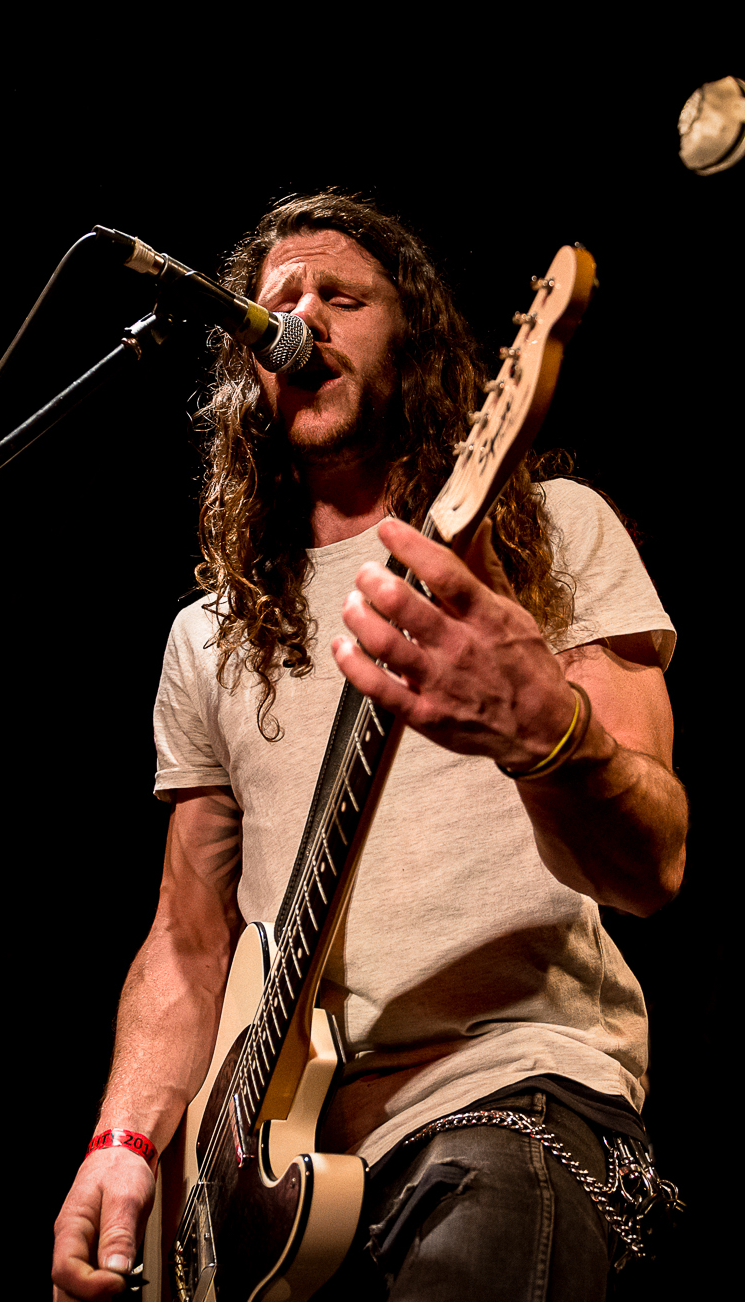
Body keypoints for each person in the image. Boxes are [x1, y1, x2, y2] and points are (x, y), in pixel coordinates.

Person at [50, 194, 688, 1300]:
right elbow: (189, 941)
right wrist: (122, 1140)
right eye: (277, 301)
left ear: (416, 339)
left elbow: (653, 862)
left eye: (339, 296)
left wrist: (548, 737)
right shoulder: (208, 635)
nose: (299, 318)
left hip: (506, 1091)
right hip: (264, 1196)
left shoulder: (549, 527)